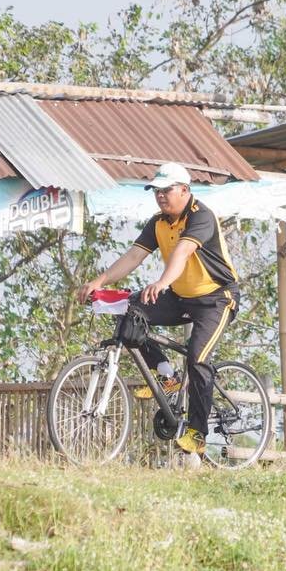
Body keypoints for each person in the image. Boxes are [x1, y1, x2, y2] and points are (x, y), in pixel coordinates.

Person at [78, 162, 240, 455]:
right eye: (156, 191)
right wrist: (98, 281)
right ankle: (168, 378)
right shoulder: (158, 222)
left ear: (184, 190)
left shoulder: (201, 216)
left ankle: (197, 433)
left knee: (197, 357)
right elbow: (133, 256)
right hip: (181, 296)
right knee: (130, 310)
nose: (161, 196)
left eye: (166, 190)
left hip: (216, 299)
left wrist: (163, 282)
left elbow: (183, 252)